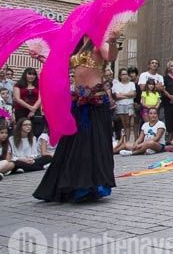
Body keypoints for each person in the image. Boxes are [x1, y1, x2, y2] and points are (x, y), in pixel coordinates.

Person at [33, 35, 118, 202]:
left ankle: (89, 186)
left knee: (91, 143)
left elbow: (111, 56)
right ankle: (70, 185)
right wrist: (42, 58)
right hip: (79, 102)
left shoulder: (98, 42)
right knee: (72, 145)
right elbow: (63, 65)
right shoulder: (78, 46)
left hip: (95, 102)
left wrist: (113, 42)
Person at [112, 68, 137, 143]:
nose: (125, 76)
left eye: (126, 74)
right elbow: (117, 96)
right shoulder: (116, 85)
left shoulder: (131, 84)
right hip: (120, 105)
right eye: (123, 74)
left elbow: (133, 94)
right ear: (120, 76)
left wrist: (122, 94)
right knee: (123, 124)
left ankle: (128, 141)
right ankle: (122, 141)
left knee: (128, 124)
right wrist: (128, 95)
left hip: (129, 105)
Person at [162, 61, 173, 144]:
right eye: (171, 66)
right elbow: (163, 89)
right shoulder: (164, 78)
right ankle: (169, 137)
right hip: (167, 101)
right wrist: (170, 96)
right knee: (168, 118)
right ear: (168, 68)